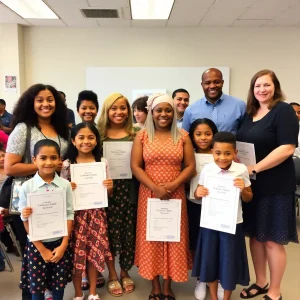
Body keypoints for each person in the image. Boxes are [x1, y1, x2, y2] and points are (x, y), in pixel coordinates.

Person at [236, 70, 299, 300]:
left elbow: (288, 147)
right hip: (252, 187)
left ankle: (275, 290)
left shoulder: (283, 111)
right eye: (257, 86)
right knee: (254, 235)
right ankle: (261, 282)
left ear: (275, 86)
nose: (262, 90)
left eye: (266, 85)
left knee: (272, 240)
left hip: (276, 186)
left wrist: (255, 168)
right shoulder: (249, 113)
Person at [5, 83, 69, 300]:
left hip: (56, 200)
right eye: (40, 99)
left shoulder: (63, 129)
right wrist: (46, 165)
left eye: (50, 99)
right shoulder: (23, 128)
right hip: (29, 202)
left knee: (54, 258)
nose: (45, 104)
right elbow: (10, 167)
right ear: (31, 103)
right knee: (33, 258)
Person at [131, 93, 196, 300]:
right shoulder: (142, 136)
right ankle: (155, 285)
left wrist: (174, 184)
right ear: (152, 112)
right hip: (149, 194)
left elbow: (191, 166)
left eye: (168, 110)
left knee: (172, 237)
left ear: (174, 112)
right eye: (159, 110)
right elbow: (135, 166)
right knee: (153, 238)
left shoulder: (183, 136)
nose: (164, 114)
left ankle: (167, 285)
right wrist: (155, 187)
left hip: (175, 194)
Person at [192, 132, 252, 300]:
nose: (222, 157)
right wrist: (198, 192)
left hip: (232, 224)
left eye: (227, 153)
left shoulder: (240, 170)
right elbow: (198, 194)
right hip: (210, 223)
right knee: (210, 260)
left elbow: (249, 198)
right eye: (218, 153)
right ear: (212, 152)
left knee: (228, 262)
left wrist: (243, 190)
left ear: (235, 153)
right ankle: (213, 296)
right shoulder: (207, 169)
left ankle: (225, 297)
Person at [61, 123, 113, 300]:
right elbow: (61, 193)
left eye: (91, 137)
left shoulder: (102, 163)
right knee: (77, 255)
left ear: (97, 140)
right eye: (81, 137)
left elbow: (108, 193)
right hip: (75, 217)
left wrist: (109, 186)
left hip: (97, 215)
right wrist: (68, 187)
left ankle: (92, 292)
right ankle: (77, 293)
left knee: (94, 254)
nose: (86, 141)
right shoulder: (67, 165)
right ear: (73, 141)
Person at [18, 139, 74, 300]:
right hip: (37, 245)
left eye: (53, 158)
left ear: (59, 160)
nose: (48, 162)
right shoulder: (27, 187)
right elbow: (25, 220)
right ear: (34, 159)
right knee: (37, 286)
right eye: (43, 158)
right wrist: (41, 248)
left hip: (59, 243)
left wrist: (64, 245)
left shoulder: (65, 185)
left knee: (59, 284)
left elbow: (69, 214)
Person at [97, 93, 138, 297]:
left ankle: (125, 271)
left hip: (130, 192)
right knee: (110, 235)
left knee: (128, 233)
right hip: (106, 192)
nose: (119, 112)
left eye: (123, 108)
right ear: (106, 111)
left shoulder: (136, 134)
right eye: (114, 108)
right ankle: (112, 274)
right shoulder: (98, 135)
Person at [188, 118, 218, 300]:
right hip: (193, 205)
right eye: (198, 134)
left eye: (208, 134)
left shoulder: (221, 154)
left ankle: (218, 277)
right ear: (192, 136)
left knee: (216, 242)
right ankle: (201, 277)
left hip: (217, 207)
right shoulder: (188, 155)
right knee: (195, 242)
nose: (203, 138)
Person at [182, 68, 246, 134]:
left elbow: (245, 136)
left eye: (216, 82)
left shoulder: (239, 106)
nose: (212, 86)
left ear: (222, 83)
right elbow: (184, 138)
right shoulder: (190, 110)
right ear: (202, 85)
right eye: (207, 83)